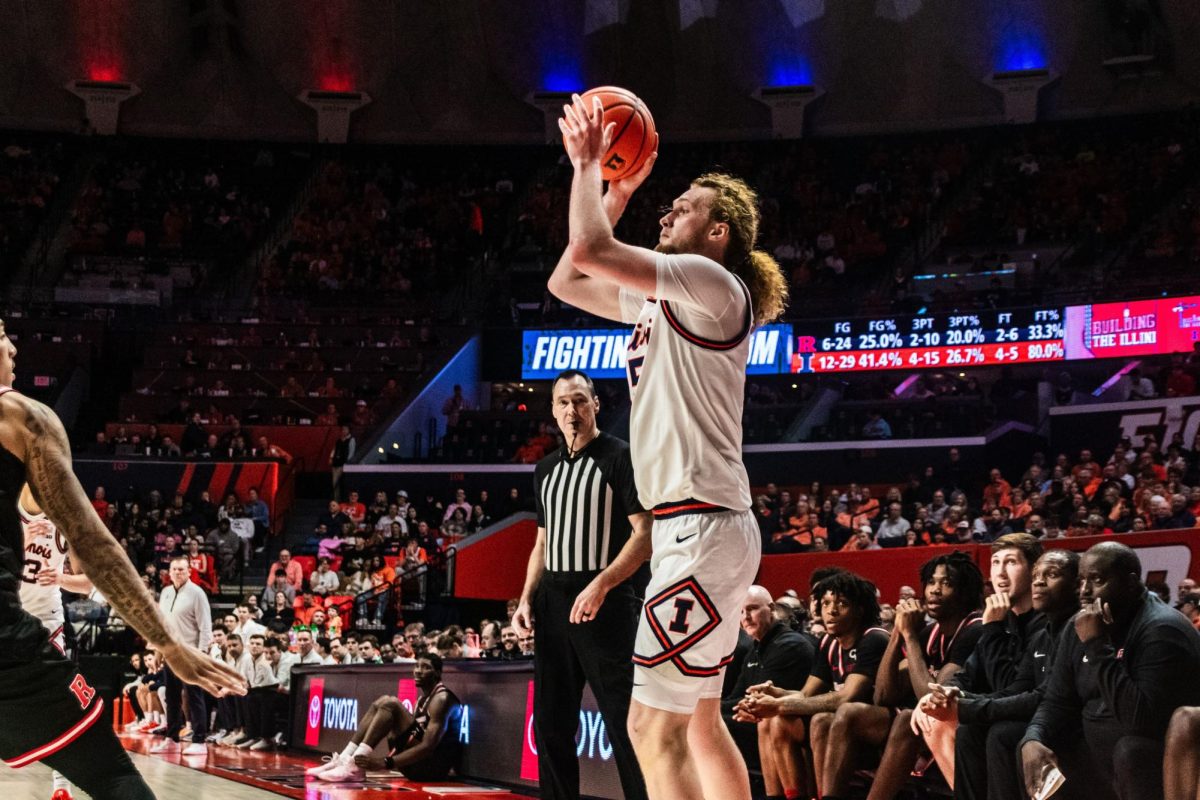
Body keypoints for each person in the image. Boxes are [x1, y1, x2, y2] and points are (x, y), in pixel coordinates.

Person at [549, 93, 788, 800]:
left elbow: (591, 250)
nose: (665, 215)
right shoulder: (665, 299)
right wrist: (617, 192)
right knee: (702, 724)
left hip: (700, 529)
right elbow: (568, 279)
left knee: (652, 730)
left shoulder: (714, 283)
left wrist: (588, 166)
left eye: (680, 208)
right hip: (704, 528)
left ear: (718, 230)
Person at [0, 319, 246, 800]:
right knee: (112, 776)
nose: (13, 347)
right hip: (8, 643)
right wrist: (169, 644)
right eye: (2, 333)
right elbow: (97, 547)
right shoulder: (20, 418)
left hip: (40, 615)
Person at [512, 369, 652, 800]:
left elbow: (645, 533)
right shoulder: (545, 469)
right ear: (553, 411)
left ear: (595, 405)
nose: (571, 410)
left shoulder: (621, 456)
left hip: (606, 603)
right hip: (552, 603)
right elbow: (542, 542)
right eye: (563, 402)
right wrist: (525, 600)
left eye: (579, 400)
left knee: (624, 721)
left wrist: (602, 583)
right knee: (551, 723)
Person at [1020, 541, 1200, 800]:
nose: (1084, 591)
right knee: (1020, 742)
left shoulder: (1161, 629)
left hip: (1152, 758)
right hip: (1097, 753)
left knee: (1131, 750)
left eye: (1097, 580)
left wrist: (1096, 645)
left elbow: (1140, 722)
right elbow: (1057, 700)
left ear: (1131, 582)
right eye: (1081, 581)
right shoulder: (1078, 624)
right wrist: (1033, 738)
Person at [914, 547, 1081, 800]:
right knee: (963, 728)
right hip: (1023, 711)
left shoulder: (1048, 624)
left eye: (1010, 562)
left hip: (1064, 721)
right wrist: (953, 695)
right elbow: (1002, 684)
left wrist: (967, 707)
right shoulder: (1039, 630)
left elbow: (1032, 693)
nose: (1000, 572)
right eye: (995, 563)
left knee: (999, 733)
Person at [818, 551, 984, 800]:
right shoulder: (931, 633)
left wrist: (910, 637)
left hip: (969, 717)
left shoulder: (974, 629)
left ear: (964, 591)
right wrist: (897, 633)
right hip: (928, 719)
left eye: (947, 583)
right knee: (848, 713)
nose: (935, 590)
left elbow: (933, 699)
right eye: (931, 582)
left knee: (908, 718)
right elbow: (883, 696)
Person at [735, 572, 889, 800]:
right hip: (841, 724)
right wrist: (776, 695)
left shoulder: (873, 638)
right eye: (826, 603)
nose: (831, 611)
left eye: (842, 604)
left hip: (880, 726)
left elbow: (846, 697)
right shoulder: (828, 641)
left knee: (821, 719)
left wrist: (777, 705)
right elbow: (806, 694)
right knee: (772, 720)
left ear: (859, 610)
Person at [19, 483, 95, 800]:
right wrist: (22, 540)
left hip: (46, 621)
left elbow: (88, 583)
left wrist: (61, 578)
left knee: (59, 705)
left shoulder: (69, 526)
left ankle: (61, 788)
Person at [308, 654, 462, 782]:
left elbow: (428, 746)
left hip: (433, 769)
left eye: (426, 667)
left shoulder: (442, 699)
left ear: (437, 673)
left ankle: (355, 766)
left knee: (391, 703)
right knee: (381, 702)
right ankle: (345, 758)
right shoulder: (422, 699)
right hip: (414, 765)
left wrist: (385, 762)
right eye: (417, 666)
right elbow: (412, 738)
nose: (418, 671)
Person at [720, 586, 814, 774]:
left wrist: (713, 712)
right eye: (741, 611)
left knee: (712, 727)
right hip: (759, 718)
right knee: (707, 721)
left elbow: (761, 703)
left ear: (771, 609)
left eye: (752, 609)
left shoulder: (789, 645)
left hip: (786, 723)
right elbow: (737, 696)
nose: (746, 617)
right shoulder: (755, 648)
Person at [148, 555, 214, 756]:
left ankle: (199, 740)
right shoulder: (166, 592)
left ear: (189, 572)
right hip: (171, 653)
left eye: (181, 569)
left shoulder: (197, 593)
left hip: (190, 653)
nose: (177, 572)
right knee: (172, 697)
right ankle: (172, 739)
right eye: (174, 569)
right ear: (169, 572)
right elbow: (162, 625)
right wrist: (158, 651)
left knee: (194, 696)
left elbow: (205, 627)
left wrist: (201, 654)